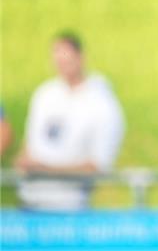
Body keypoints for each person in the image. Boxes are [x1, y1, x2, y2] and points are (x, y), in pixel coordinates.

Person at [15, 31, 125, 211]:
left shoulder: (102, 104)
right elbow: (29, 145)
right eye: (58, 61)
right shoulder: (45, 94)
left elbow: (97, 166)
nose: (62, 66)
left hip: (69, 207)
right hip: (30, 201)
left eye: (68, 60)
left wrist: (46, 170)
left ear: (81, 58)